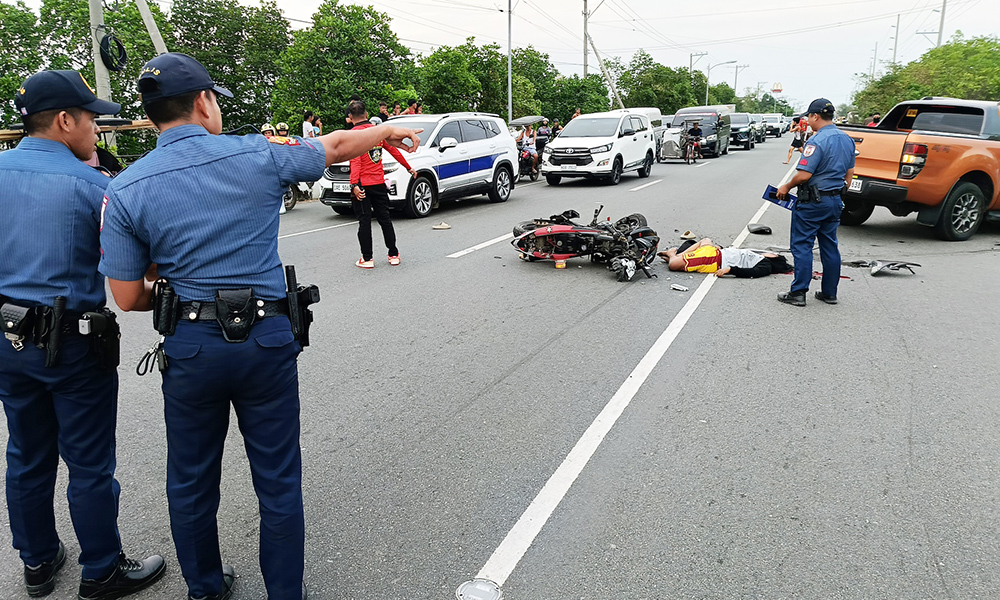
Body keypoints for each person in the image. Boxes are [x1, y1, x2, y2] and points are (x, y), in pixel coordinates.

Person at [97, 52, 422, 600]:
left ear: (152, 116)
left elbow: (127, 297)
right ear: (204, 102)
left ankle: (204, 588)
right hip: (267, 341)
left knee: (191, 482)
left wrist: (177, 296)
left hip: (191, 348)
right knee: (277, 480)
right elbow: (338, 146)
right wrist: (388, 128)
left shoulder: (126, 188)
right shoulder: (258, 154)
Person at [0, 70, 166, 600]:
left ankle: (38, 562)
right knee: (89, 461)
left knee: (26, 453)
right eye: (92, 118)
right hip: (72, 342)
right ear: (66, 120)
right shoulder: (95, 186)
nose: (97, 128)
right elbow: (136, 267)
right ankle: (101, 570)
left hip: (7, 338)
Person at [775, 98, 855, 306]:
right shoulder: (847, 139)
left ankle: (798, 292)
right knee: (829, 246)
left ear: (815, 116)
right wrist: (838, 192)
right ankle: (829, 293)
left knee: (802, 245)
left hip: (812, 202)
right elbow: (850, 174)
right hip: (835, 200)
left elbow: (804, 175)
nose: (808, 121)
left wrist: (786, 186)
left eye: (809, 116)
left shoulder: (816, 141)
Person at [348, 100, 417, 269]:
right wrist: (409, 168)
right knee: (385, 219)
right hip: (379, 183)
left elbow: (355, 161)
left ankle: (367, 258)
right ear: (366, 114)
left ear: (350, 117)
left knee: (364, 221)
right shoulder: (376, 132)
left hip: (362, 185)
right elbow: (393, 150)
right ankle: (393, 254)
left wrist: (354, 185)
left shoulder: (353, 135)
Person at [658, 238, 792, 277]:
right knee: (706, 240)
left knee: (673, 265)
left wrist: (730, 270)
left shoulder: (765, 265)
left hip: (714, 260)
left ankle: (673, 254)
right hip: (716, 253)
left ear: (774, 257)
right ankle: (676, 255)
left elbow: (752, 272)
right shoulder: (756, 256)